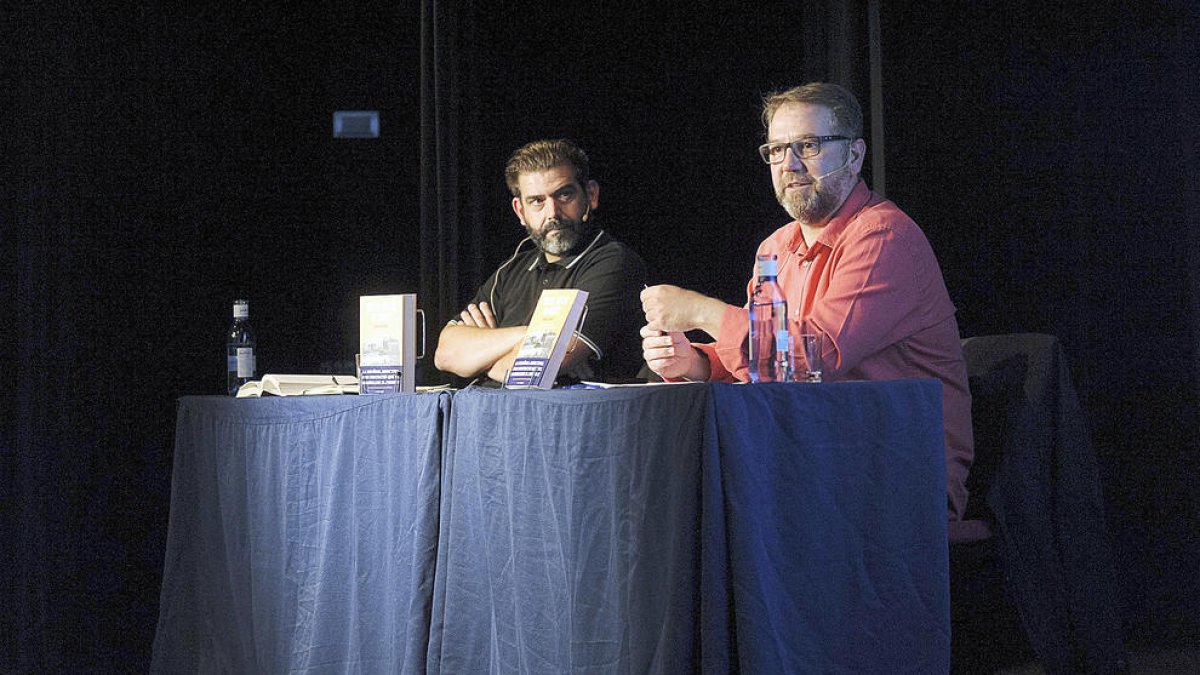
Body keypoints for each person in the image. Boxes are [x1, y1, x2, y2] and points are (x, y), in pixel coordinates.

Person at [640, 83, 974, 520]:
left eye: (808, 146)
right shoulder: (775, 248)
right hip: (808, 458)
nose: (789, 164)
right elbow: (768, 364)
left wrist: (703, 311)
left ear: (854, 156)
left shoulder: (883, 236)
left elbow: (810, 361)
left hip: (896, 474)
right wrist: (693, 363)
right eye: (776, 150)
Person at [435, 139, 648, 386]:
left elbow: (533, 369)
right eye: (537, 201)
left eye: (564, 195)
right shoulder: (510, 270)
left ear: (591, 195)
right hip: (494, 416)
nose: (552, 213)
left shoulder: (614, 262)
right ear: (519, 211)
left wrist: (481, 360)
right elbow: (446, 354)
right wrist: (529, 335)